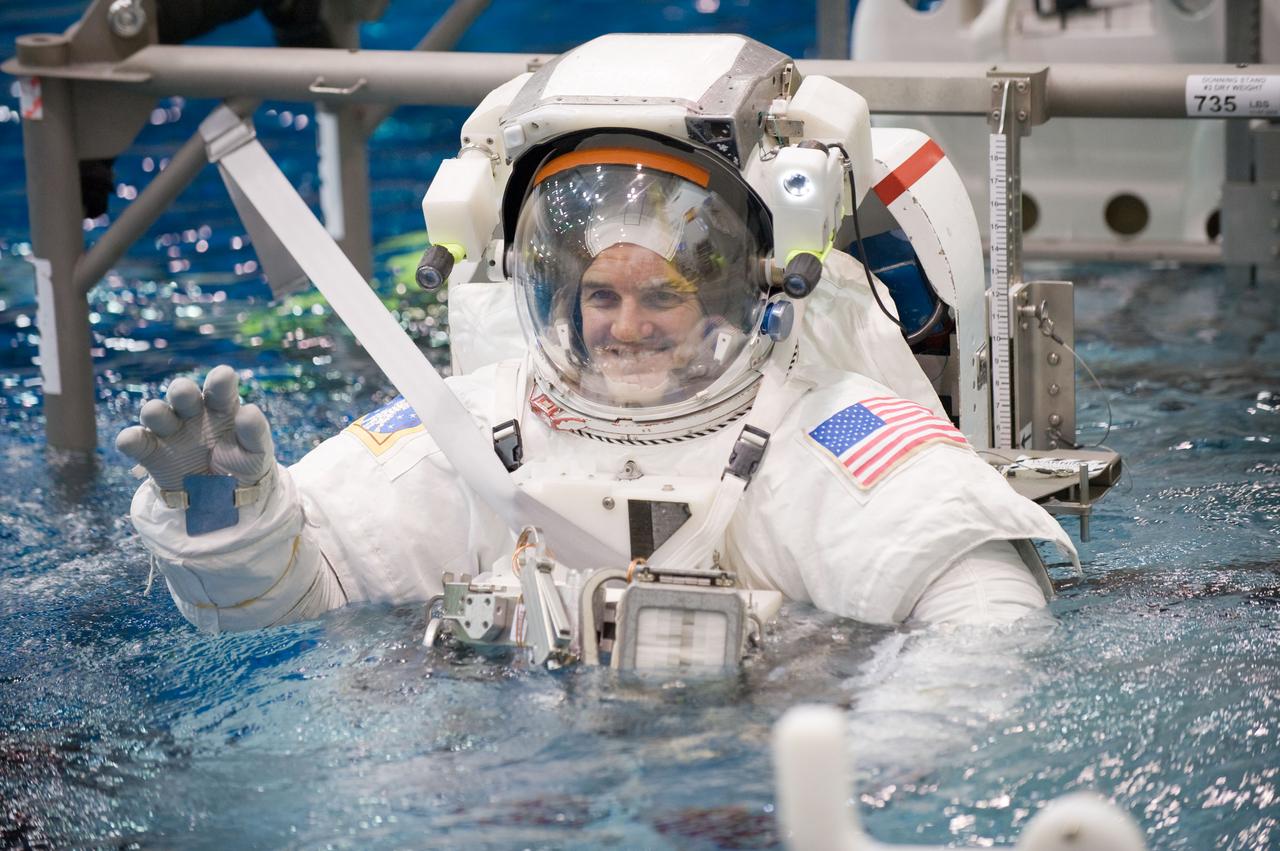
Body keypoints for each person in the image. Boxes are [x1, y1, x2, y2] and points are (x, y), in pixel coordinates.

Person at [117, 35, 1077, 637]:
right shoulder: (477, 431)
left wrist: (845, 749)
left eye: (660, 296)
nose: (624, 327)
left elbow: (984, 616)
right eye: (598, 295)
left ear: (737, 293)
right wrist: (230, 522)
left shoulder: (821, 432)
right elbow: (297, 606)